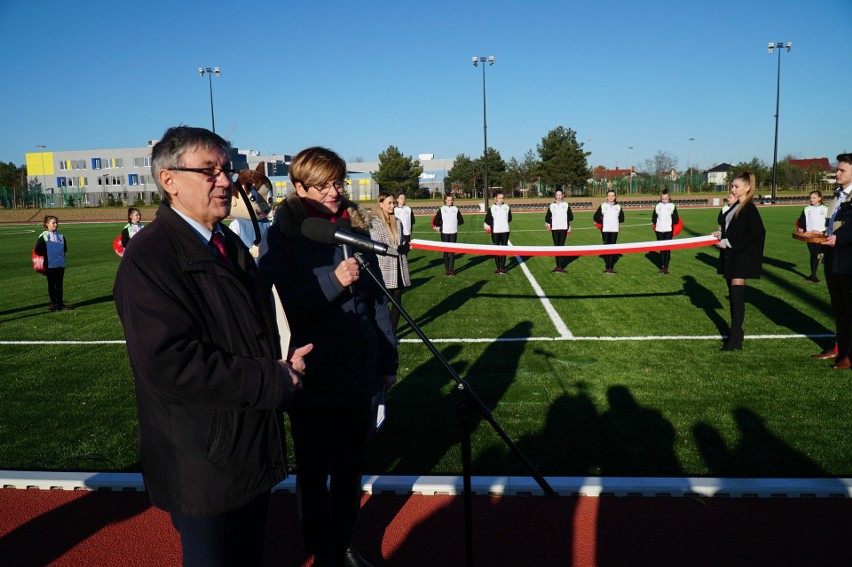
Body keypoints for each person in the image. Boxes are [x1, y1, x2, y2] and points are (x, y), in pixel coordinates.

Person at [113, 126, 308, 567]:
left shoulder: (228, 244)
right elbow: (171, 364)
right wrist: (272, 378)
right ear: (169, 181)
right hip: (203, 459)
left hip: (246, 446)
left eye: (227, 170)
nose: (226, 181)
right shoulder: (151, 259)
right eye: (209, 171)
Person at [260, 146, 397, 567]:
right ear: (298, 188)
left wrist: (387, 362)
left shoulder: (357, 226)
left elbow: (376, 304)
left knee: (350, 469)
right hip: (310, 375)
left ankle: (344, 545)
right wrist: (334, 282)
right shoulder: (282, 237)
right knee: (315, 469)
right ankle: (318, 546)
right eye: (323, 186)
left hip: (358, 371)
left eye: (338, 182)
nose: (335, 192)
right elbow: (280, 310)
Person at [712, 171, 766, 351]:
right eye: (732, 186)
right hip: (732, 257)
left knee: (736, 296)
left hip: (741, 258)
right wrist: (721, 235)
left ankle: (734, 338)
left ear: (747, 188)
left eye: (736, 186)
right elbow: (736, 229)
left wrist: (730, 242)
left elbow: (757, 232)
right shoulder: (736, 206)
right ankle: (736, 334)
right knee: (734, 298)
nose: (733, 189)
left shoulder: (748, 207)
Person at [817, 154, 852, 368]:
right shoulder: (838, 194)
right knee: (839, 307)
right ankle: (839, 347)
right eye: (837, 170)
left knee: (850, 308)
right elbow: (833, 224)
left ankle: (849, 354)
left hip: (848, 260)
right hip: (833, 257)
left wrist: (839, 238)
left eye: (842, 170)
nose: (836, 173)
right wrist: (819, 233)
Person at [371, 191, 411, 334]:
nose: (392, 205)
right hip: (385, 268)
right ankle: (383, 329)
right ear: (381, 205)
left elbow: (401, 242)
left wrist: (406, 247)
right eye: (389, 203)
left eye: (393, 202)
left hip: (399, 265)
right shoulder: (375, 224)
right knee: (383, 301)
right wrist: (399, 249)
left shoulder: (397, 222)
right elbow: (379, 246)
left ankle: (392, 331)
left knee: (397, 299)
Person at [35, 215, 71, 312]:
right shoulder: (44, 236)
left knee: (59, 285)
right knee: (51, 285)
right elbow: (38, 250)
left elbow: (65, 249)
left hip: (60, 264)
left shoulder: (61, 236)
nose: (55, 224)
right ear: (46, 224)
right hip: (50, 265)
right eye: (53, 223)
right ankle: (53, 303)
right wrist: (48, 255)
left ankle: (60, 304)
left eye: (56, 223)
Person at [796, 190, 828, 283]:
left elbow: (829, 222)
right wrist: (801, 228)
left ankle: (814, 276)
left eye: (814, 198)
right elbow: (801, 221)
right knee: (813, 254)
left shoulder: (826, 209)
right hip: (809, 236)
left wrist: (824, 231)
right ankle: (813, 275)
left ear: (819, 198)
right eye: (810, 198)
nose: (811, 199)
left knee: (816, 254)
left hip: (821, 235)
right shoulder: (806, 209)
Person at [593, 189, 624, 274]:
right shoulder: (603, 206)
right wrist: (603, 222)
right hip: (605, 230)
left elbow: (622, 218)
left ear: (615, 197)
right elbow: (595, 217)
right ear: (606, 197)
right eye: (609, 196)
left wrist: (615, 220)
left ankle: (610, 268)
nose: (611, 197)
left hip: (614, 230)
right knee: (607, 247)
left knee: (612, 248)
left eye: (612, 196)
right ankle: (608, 267)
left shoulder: (618, 207)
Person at [432, 194, 464, 276]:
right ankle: (447, 270)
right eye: (449, 200)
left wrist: (454, 223)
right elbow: (435, 221)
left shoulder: (455, 209)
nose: (450, 201)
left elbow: (461, 221)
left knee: (452, 252)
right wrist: (441, 227)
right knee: (446, 252)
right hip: (445, 233)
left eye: (451, 200)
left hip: (453, 232)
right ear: (445, 201)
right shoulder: (442, 209)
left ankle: (452, 270)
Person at [545, 189, 573, 272]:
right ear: (555, 195)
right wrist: (552, 222)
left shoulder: (566, 204)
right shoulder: (551, 205)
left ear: (563, 195)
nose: (559, 196)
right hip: (555, 229)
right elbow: (547, 217)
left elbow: (571, 217)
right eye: (557, 194)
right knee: (556, 247)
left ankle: (560, 266)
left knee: (561, 246)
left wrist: (564, 220)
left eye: (560, 194)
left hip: (564, 229)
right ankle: (558, 266)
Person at [652, 189, 679, 274]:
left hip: (668, 230)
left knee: (667, 249)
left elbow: (676, 219)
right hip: (659, 230)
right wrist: (658, 224)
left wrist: (670, 222)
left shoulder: (672, 206)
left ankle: (666, 268)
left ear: (669, 197)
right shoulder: (657, 206)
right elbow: (653, 218)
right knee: (662, 249)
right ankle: (662, 267)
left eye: (666, 199)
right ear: (661, 198)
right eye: (663, 199)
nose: (664, 200)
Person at [484, 191, 512, 274]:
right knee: (496, 250)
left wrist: (503, 223)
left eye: (502, 198)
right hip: (495, 231)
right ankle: (498, 268)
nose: (501, 199)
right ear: (495, 198)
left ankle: (502, 268)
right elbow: (487, 220)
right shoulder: (492, 208)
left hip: (505, 231)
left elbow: (509, 218)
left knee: (503, 250)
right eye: (499, 198)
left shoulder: (507, 207)